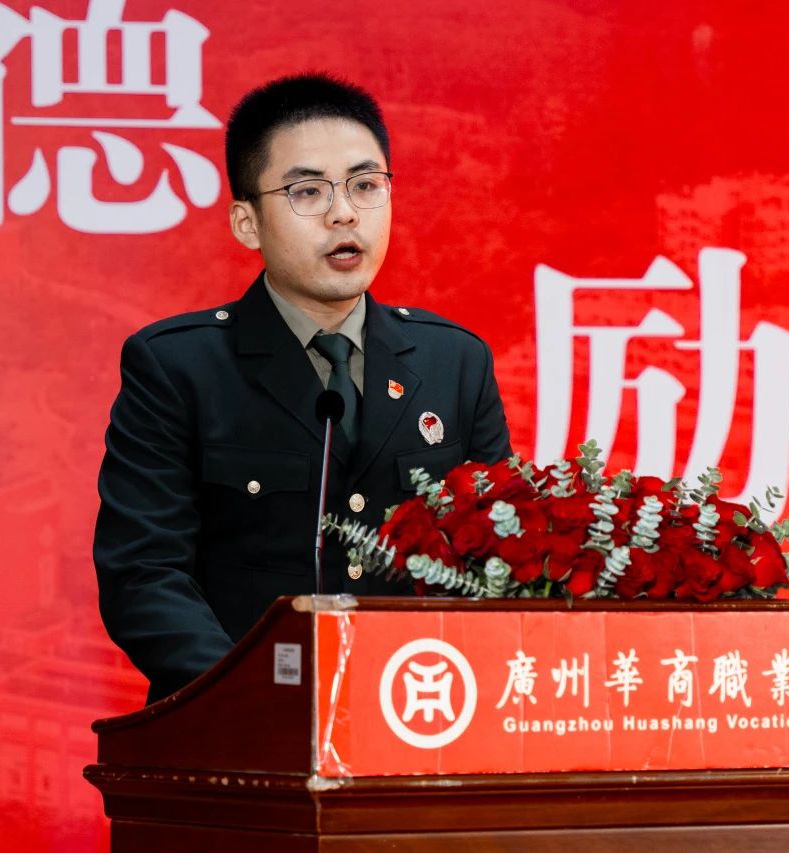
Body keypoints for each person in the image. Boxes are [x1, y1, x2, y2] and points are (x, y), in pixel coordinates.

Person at [93, 74, 512, 704]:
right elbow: (144, 574)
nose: (344, 213)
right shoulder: (178, 368)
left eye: (366, 185)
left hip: (420, 714)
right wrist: (256, 701)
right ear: (247, 223)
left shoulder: (455, 361)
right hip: (241, 727)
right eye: (307, 191)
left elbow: (495, 562)